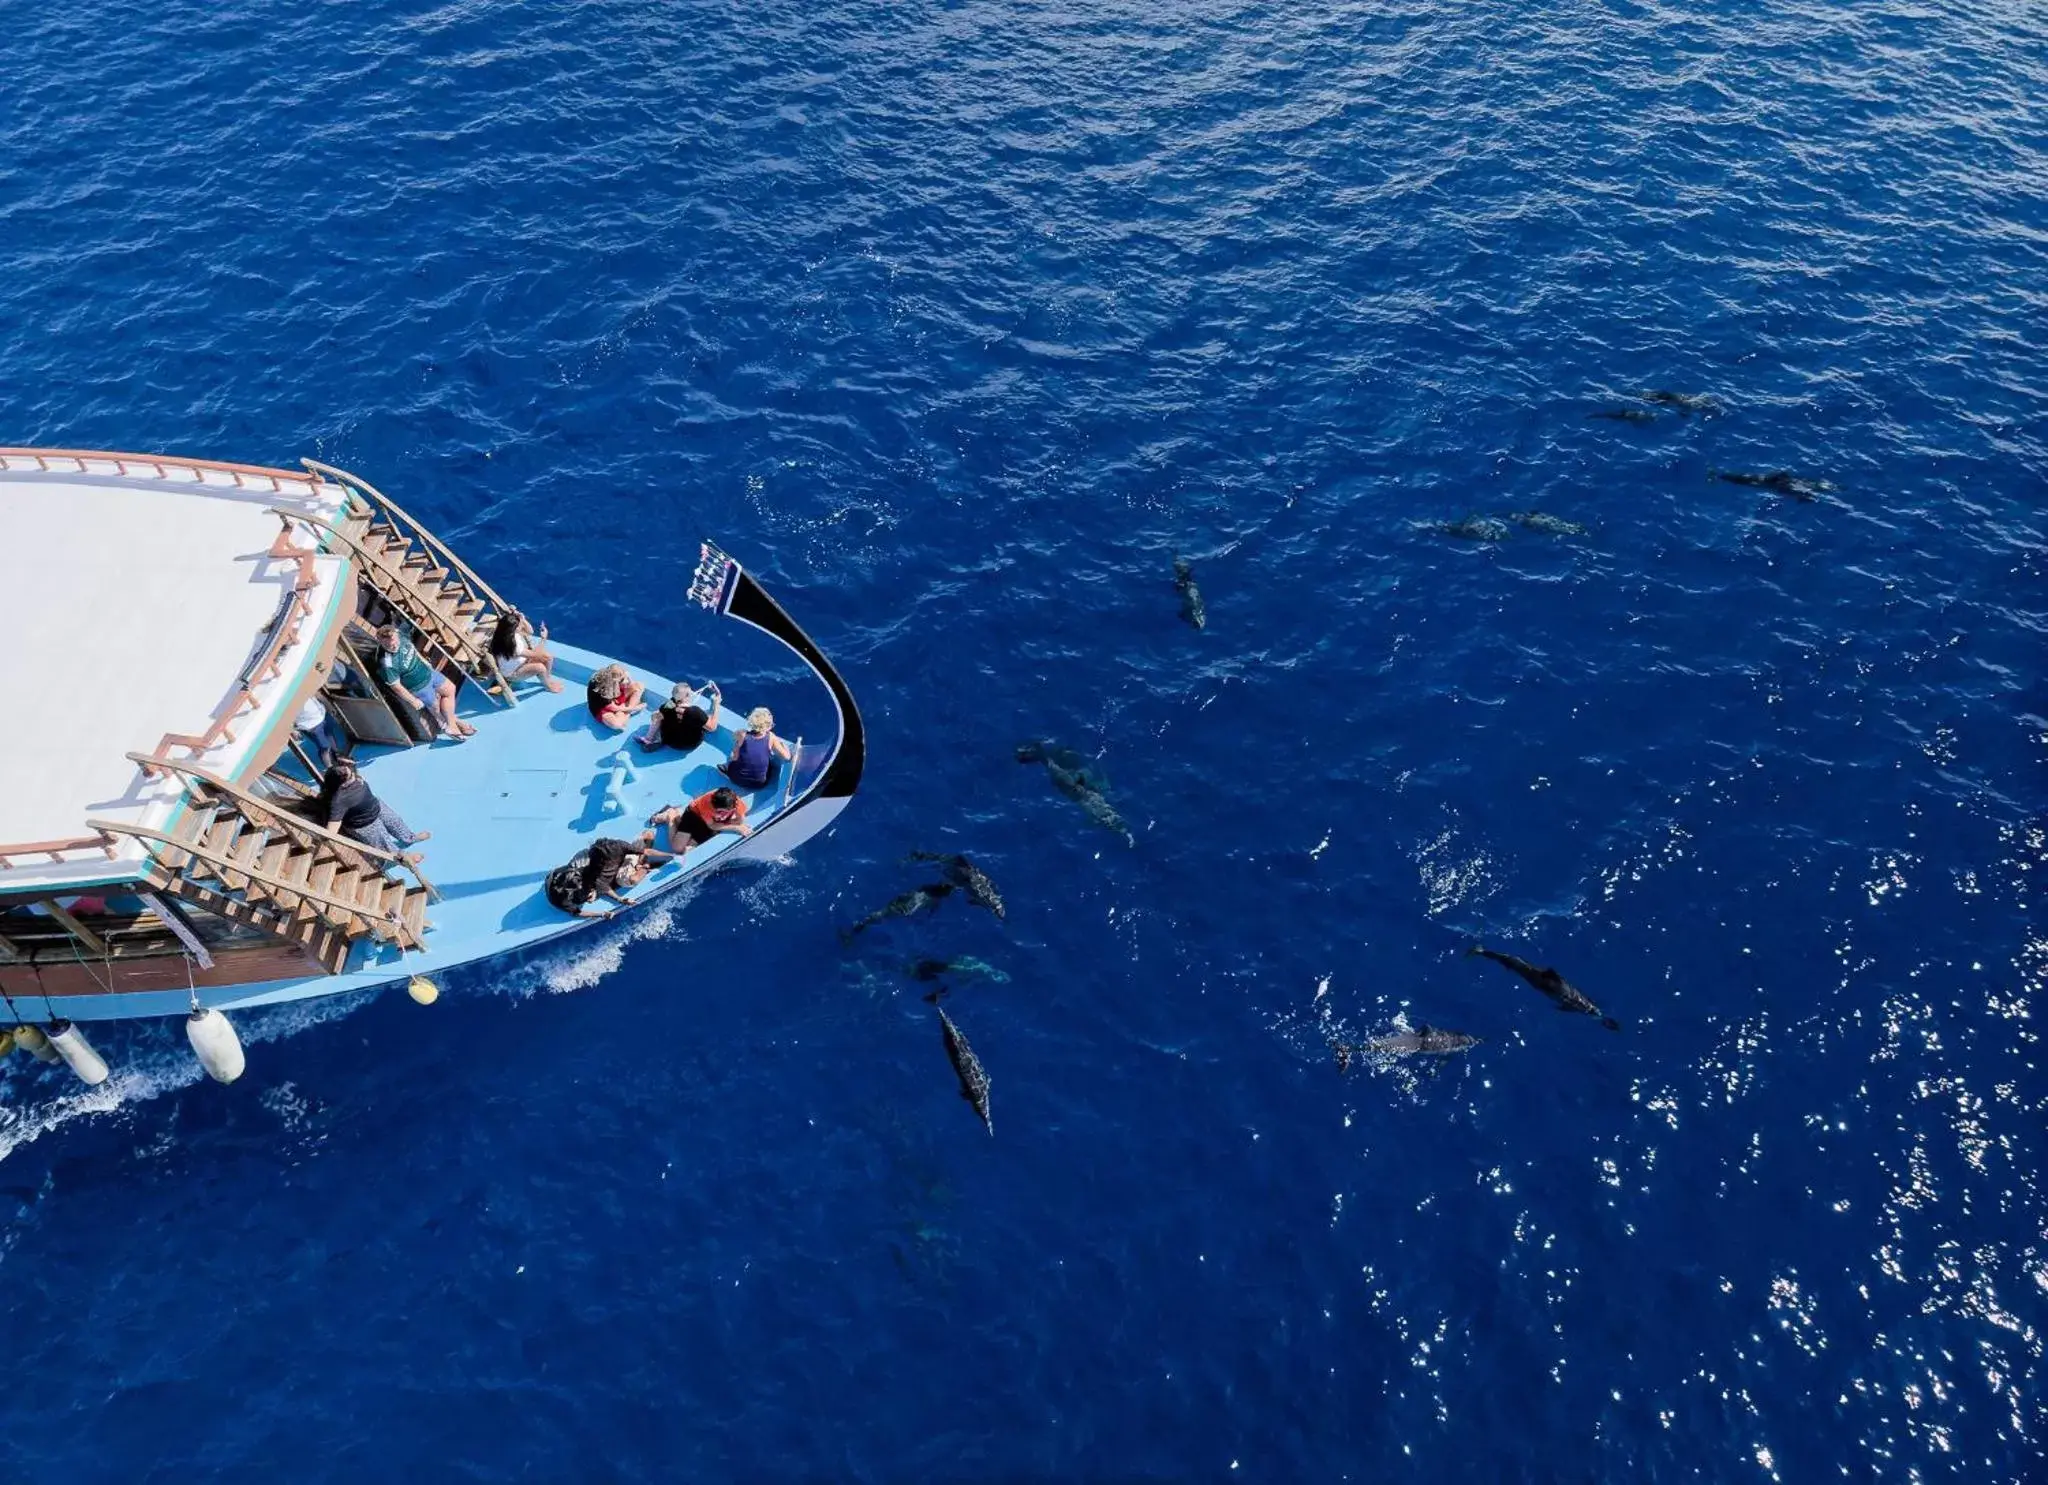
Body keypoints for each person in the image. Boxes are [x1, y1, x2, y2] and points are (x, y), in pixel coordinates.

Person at [372, 622, 475, 739]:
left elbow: (412, 648)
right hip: (418, 686)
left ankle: (453, 724)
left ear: (396, 634)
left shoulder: (401, 634)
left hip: (427, 672)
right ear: (380, 642)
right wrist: (413, 701)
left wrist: (424, 661)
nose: (394, 646)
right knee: (435, 708)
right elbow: (396, 686)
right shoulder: (386, 663)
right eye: (389, 646)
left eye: (395, 642)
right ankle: (450, 727)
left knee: (450, 689)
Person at [316, 759, 430, 863]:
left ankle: (409, 838)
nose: (354, 774)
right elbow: (332, 830)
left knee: (396, 821)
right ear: (342, 784)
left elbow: (349, 765)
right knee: (385, 844)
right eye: (351, 776)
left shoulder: (351, 775)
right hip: (365, 824)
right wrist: (324, 841)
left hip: (377, 806)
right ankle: (404, 859)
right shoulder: (339, 800)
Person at [543, 834, 672, 918]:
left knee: (585, 860)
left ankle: (641, 859)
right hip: (566, 883)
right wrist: (601, 914)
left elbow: (600, 884)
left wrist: (619, 899)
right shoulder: (563, 901)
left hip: (571, 873)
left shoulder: (580, 872)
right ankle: (643, 864)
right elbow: (578, 912)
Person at [648, 787, 751, 856]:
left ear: (733, 807)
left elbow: (739, 820)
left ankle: (678, 818)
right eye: (716, 811)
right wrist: (736, 828)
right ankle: (670, 816)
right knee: (677, 849)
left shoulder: (738, 804)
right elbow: (713, 826)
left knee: (686, 851)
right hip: (694, 815)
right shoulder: (708, 803)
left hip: (709, 822)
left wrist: (738, 825)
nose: (718, 814)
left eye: (722, 812)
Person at [487, 608, 564, 694]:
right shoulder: (513, 646)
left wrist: (522, 619)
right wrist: (543, 639)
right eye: (520, 625)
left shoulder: (505, 634)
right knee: (540, 668)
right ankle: (548, 686)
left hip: (519, 663)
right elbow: (536, 655)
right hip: (513, 673)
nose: (522, 626)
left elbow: (530, 632)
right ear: (514, 629)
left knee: (548, 657)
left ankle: (547, 678)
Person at [636, 680, 722, 754]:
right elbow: (712, 727)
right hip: (686, 745)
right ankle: (658, 738)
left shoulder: (669, 704)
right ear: (688, 695)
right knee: (706, 718)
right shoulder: (695, 712)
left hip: (669, 739)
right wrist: (716, 704)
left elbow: (655, 717)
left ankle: (652, 738)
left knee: (658, 715)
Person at [722, 706, 792, 791]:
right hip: (759, 784)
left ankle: (726, 771)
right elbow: (787, 757)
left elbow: (734, 757)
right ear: (769, 726)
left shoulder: (742, 734)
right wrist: (785, 747)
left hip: (737, 780)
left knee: (730, 761)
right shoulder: (771, 737)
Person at [294, 694, 348, 772]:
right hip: (310, 725)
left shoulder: (302, 687)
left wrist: (329, 706)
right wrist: (293, 730)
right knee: (325, 747)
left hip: (322, 714)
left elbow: (318, 695)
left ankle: (336, 753)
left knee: (329, 734)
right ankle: (329, 767)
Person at [586, 662, 646, 732]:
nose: (625, 681)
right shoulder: (602, 689)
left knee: (639, 686)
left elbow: (631, 683)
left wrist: (627, 678)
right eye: (622, 680)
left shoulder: (617, 674)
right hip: (602, 708)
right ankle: (628, 711)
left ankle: (625, 711)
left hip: (615, 696)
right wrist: (634, 708)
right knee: (617, 725)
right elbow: (612, 707)